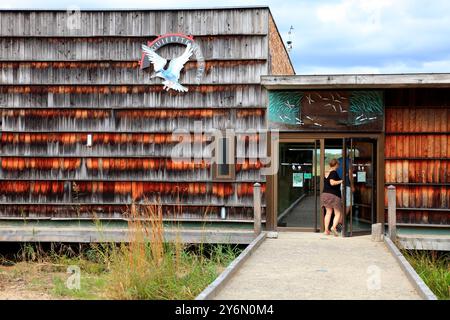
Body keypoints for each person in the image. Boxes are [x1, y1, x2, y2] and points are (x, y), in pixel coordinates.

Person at [320, 159, 343, 236]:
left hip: (325, 194)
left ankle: (326, 230)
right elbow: (332, 183)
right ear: (336, 165)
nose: (338, 166)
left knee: (328, 212)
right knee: (338, 213)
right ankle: (333, 227)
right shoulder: (334, 172)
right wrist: (341, 181)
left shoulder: (326, 172)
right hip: (333, 195)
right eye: (338, 164)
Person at [336, 156, 354, 231]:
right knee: (348, 204)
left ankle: (338, 222)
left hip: (339, 185)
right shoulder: (348, 161)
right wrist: (352, 185)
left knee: (342, 204)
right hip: (346, 185)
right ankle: (339, 223)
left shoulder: (338, 160)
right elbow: (350, 173)